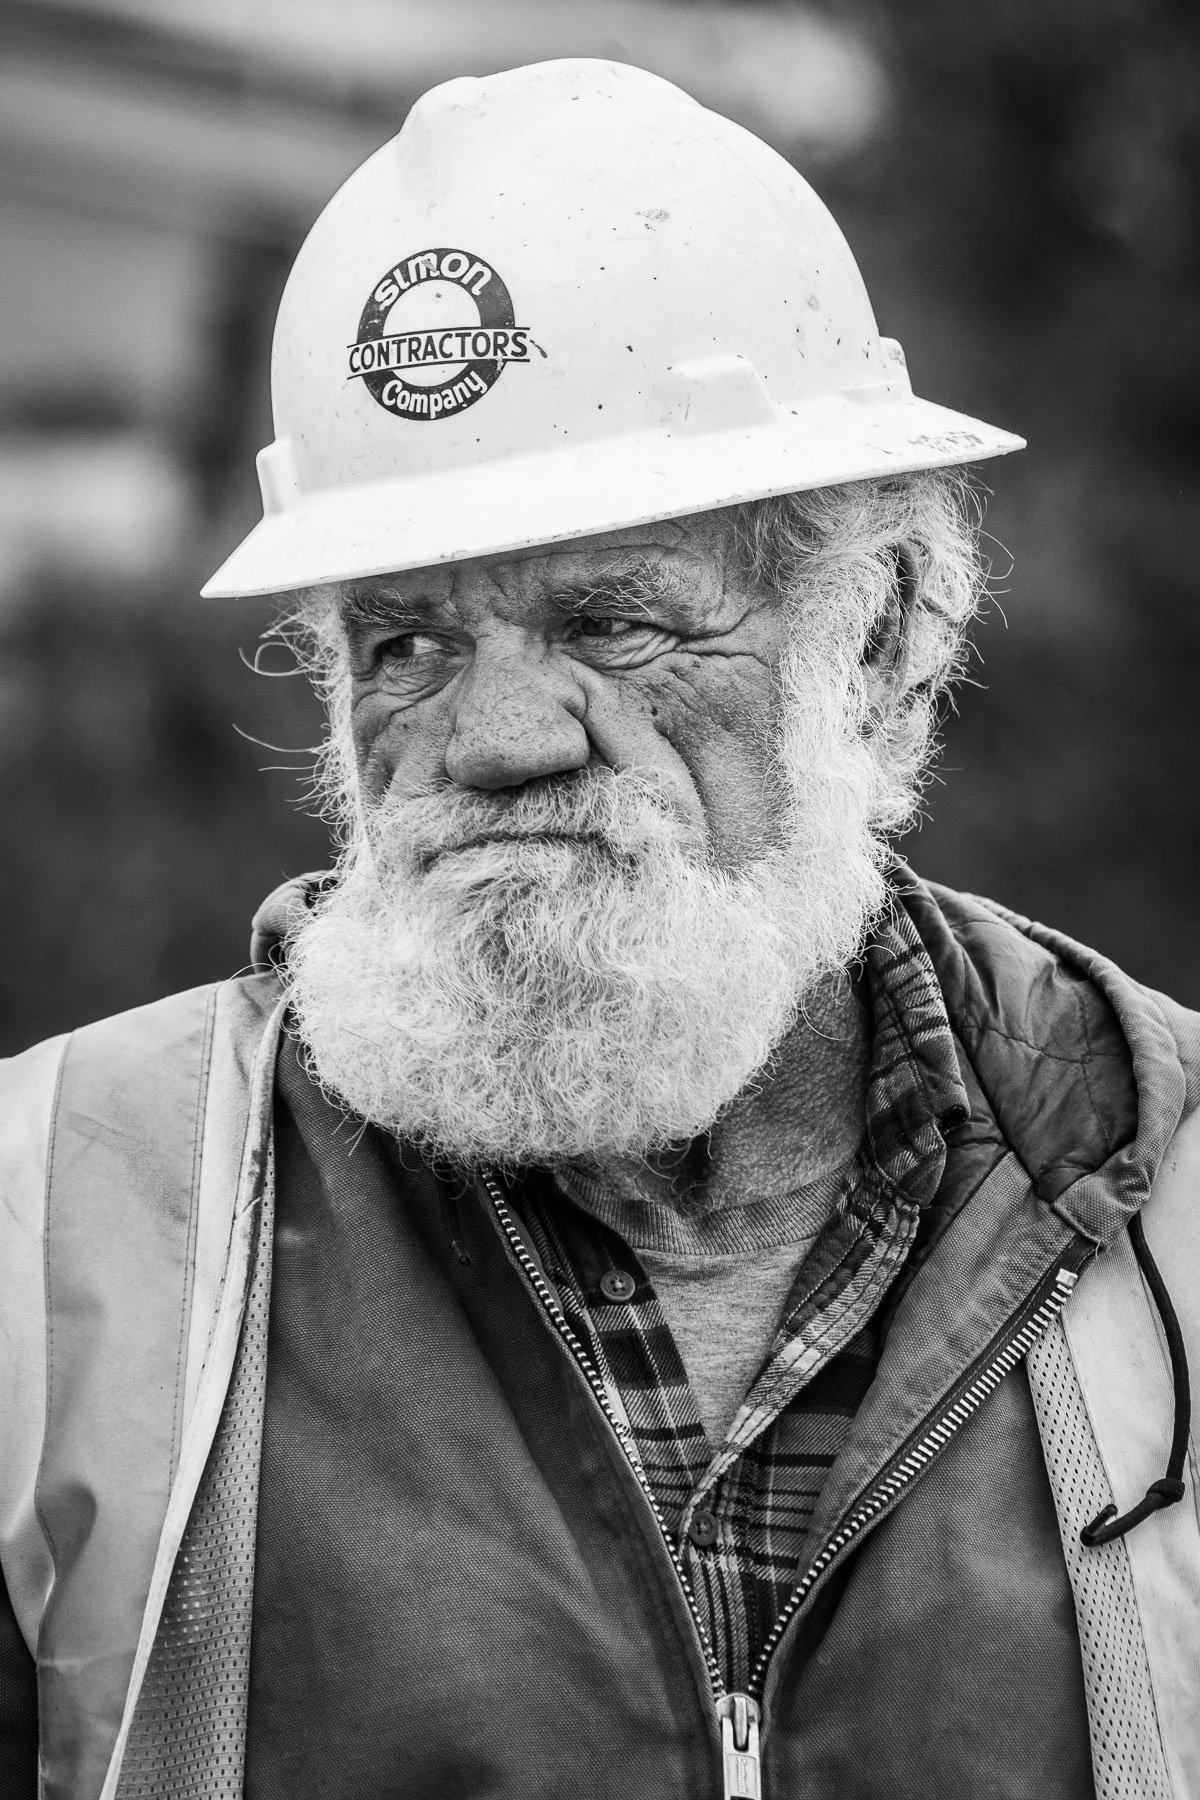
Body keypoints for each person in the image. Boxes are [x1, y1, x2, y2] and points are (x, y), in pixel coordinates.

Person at [1, 58, 1197, 1800]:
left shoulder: (1178, 1185)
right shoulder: (40, 1217)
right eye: (402, 640)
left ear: (879, 643)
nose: (491, 739)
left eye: (614, 620)